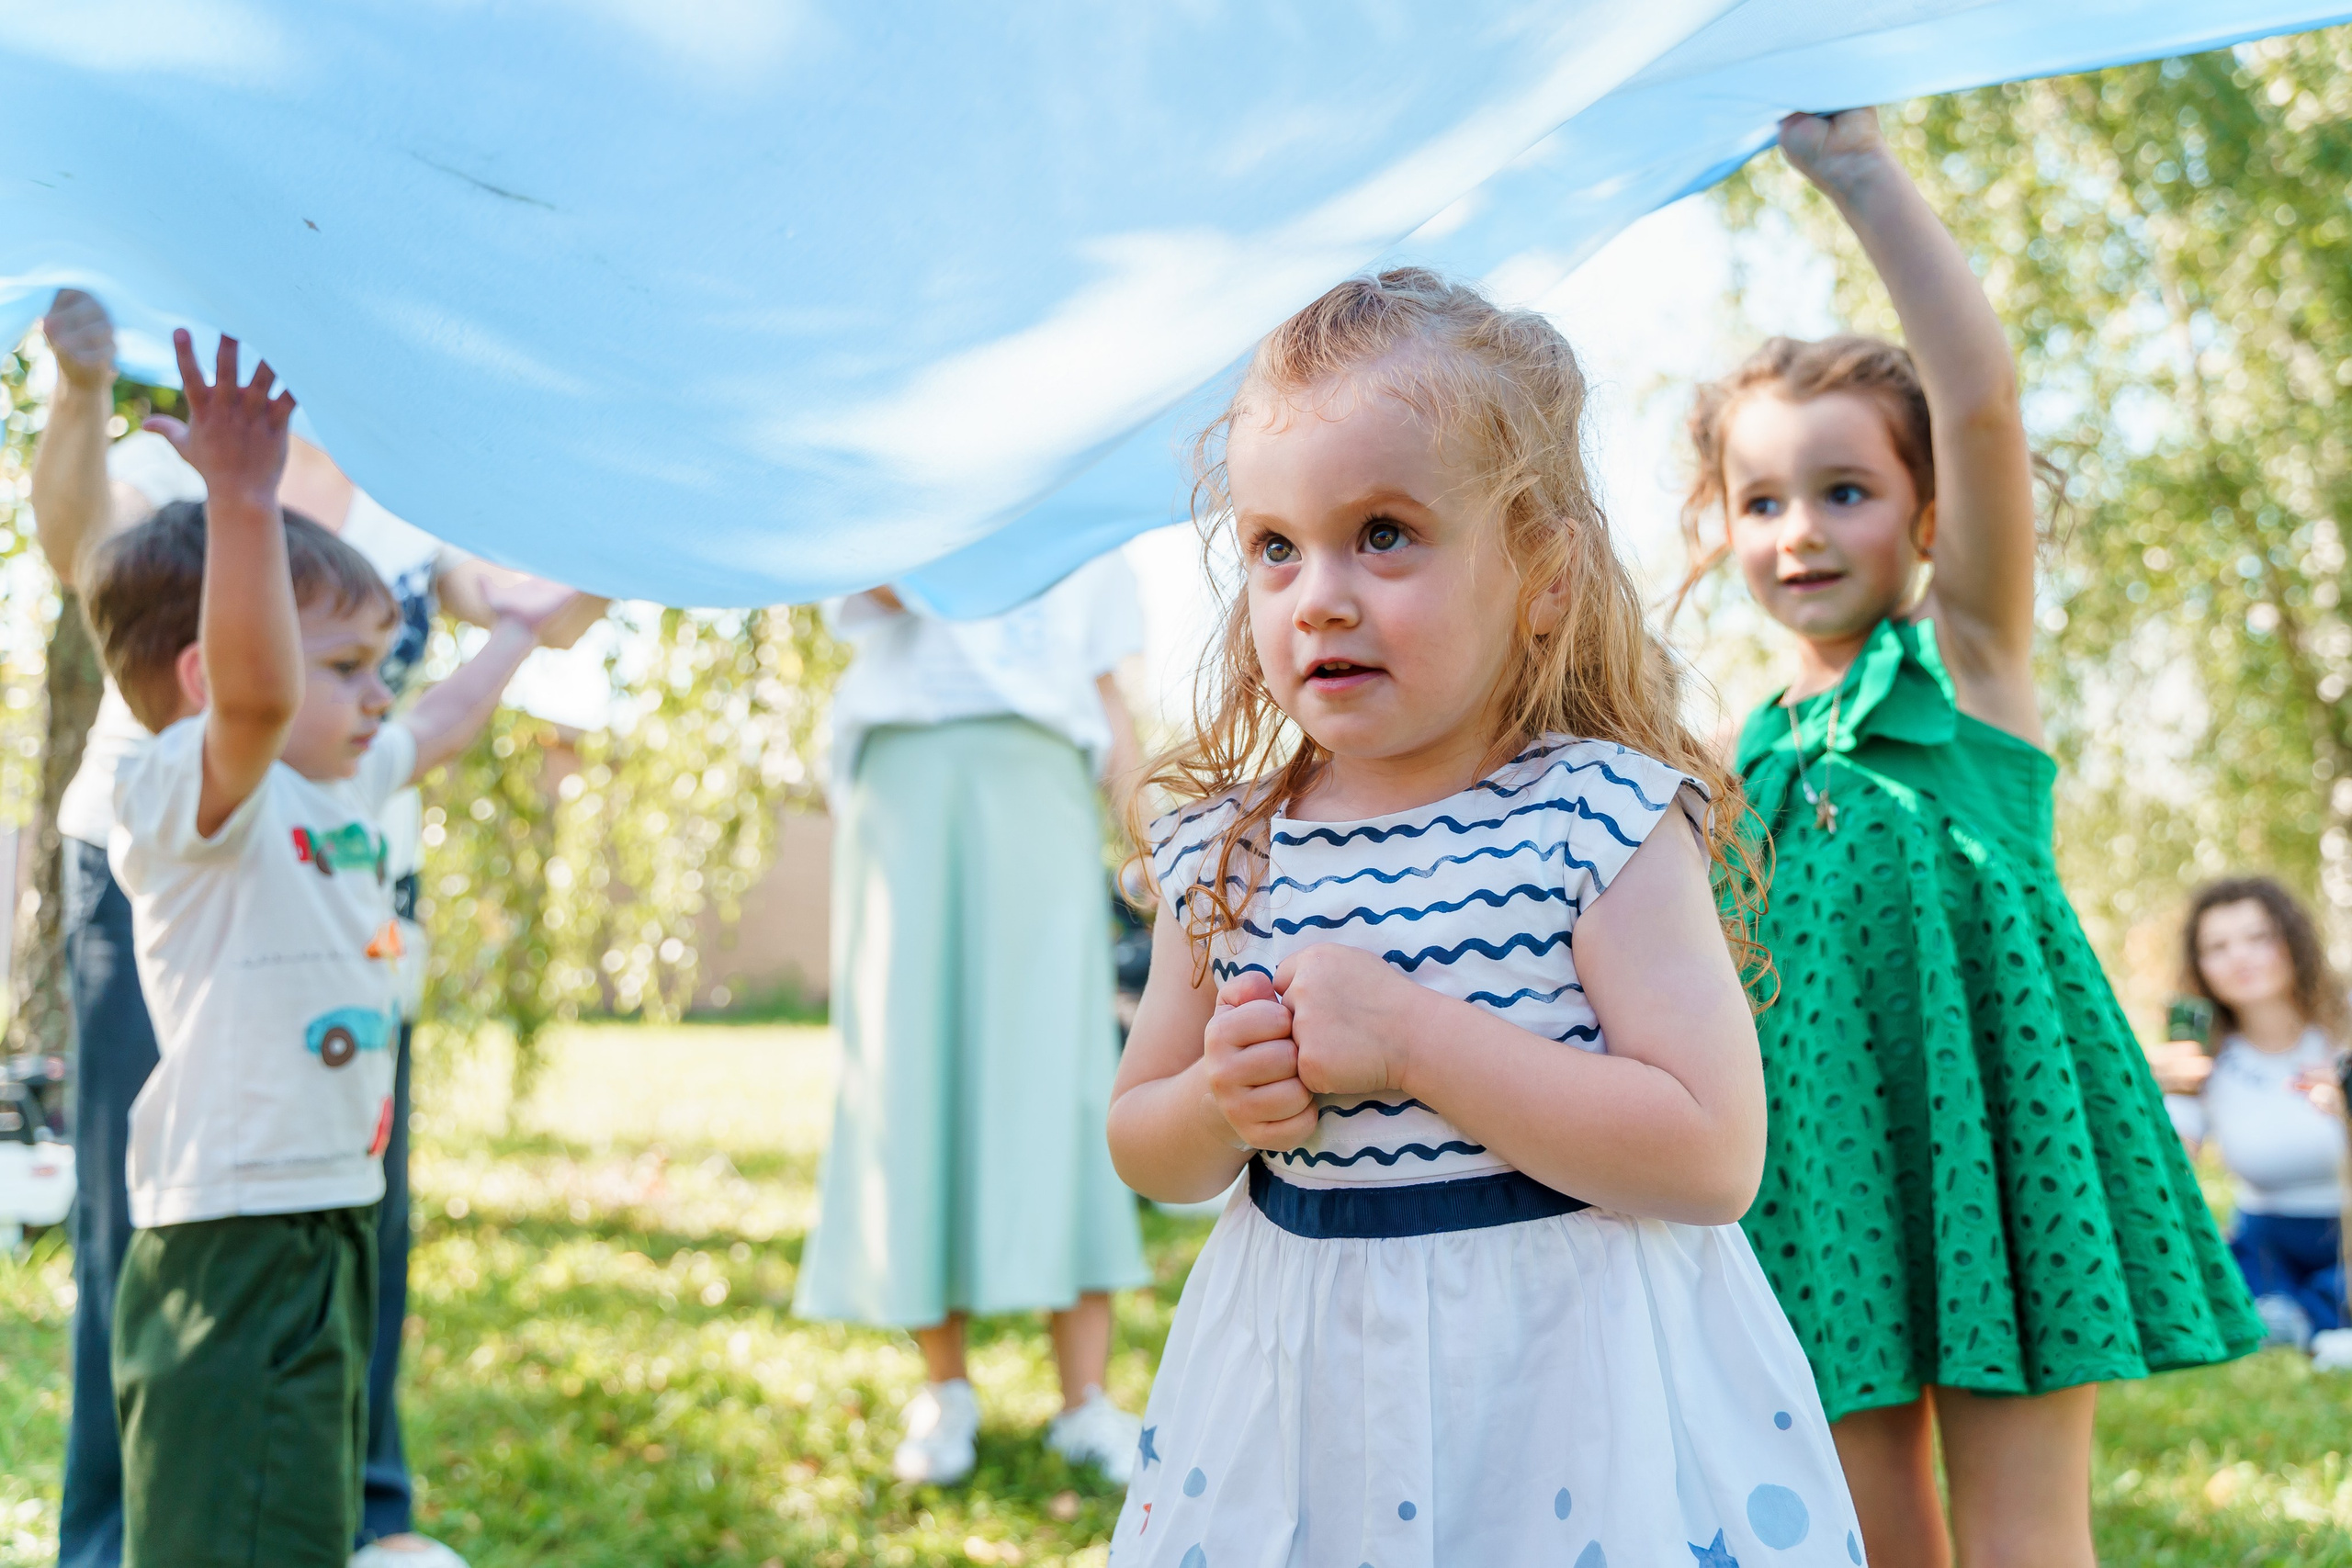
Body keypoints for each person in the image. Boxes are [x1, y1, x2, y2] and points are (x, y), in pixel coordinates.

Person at [1104, 267, 1860, 1564]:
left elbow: (1710, 1148)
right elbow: (1144, 1144)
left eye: (1385, 531)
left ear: (1543, 573)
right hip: (1312, 1420)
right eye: (1276, 547)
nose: (1320, 595)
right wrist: (1223, 1102)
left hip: (1570, 1410)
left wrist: (1409, 1039)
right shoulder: (1225, 851)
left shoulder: (1600, 820)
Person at [1682, 110, 2261, 1567]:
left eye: (1845, 491)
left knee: (2019, 1543)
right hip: (1825, 1174)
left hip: (1999, 1152)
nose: (1799, 530)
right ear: (1721, 524)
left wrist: (1860, 175)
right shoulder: (1733, 755)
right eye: (1762, 500)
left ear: (1927, 513)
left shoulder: (1973, 667)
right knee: (1861, 1538)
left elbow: (1985, 397)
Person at [31, 288, 600, 1568]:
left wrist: (511, 632)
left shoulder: (336, 778)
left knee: (295, 1492)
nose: (373, 690)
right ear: (213, 675)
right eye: (343, 666)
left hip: (325, 1203)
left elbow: (440, 721)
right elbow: (255, 691)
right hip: (228, 1228)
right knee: (221, 1514)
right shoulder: (194, 793)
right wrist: (244, 495)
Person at [794, 558, 1152, 1486]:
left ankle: (1085, 1401)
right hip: (907, 770)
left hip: (1037, 772)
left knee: (1063, 1077)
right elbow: (857, 585)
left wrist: (1156, 840)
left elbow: (1108, 685)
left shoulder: (1090, 512)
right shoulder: (908, 459)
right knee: (914, 1068)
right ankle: (944, 1388)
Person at [2155, 877, 2351, 1359]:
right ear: (2199, 966)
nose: (2239, 957)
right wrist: (2150, 1090)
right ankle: (2296, 1316)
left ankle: (2309, 1316)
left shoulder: (2343, 1032)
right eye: (2217, 947)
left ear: (2294, 940)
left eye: (2259, 937)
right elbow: (2168, 1171)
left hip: (2346, 1230)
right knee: (2237, 1286)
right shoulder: (2203, 1057)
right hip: (2265, 1239)